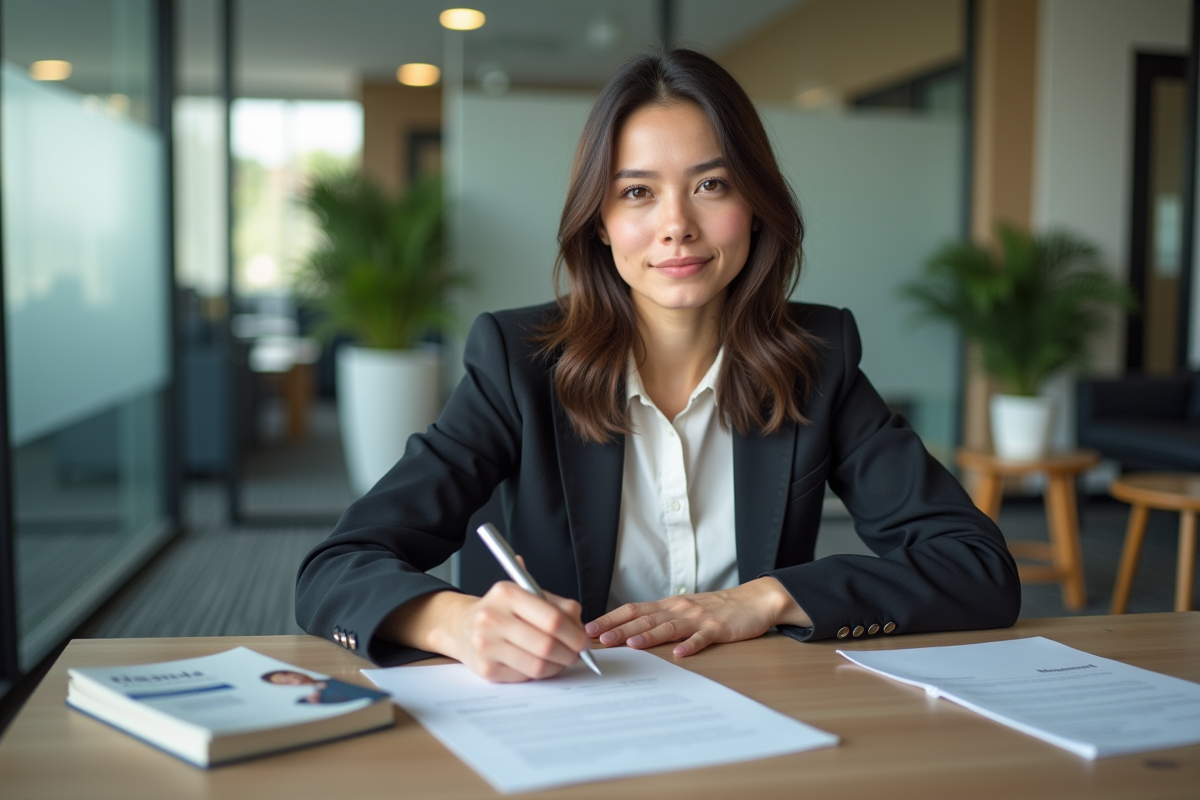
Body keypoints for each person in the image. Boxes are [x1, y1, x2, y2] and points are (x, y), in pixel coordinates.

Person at [295, 49, 1020, 683]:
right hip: (565, 715)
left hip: (757, 707)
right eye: (637, 192)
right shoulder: (518, 364)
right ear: (601, 225)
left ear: (757, 206)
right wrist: (453, 623)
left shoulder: (817, 360)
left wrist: (765, 598)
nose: (677, 223)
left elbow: (976, 567)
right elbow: (336, 567)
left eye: (712, 184)